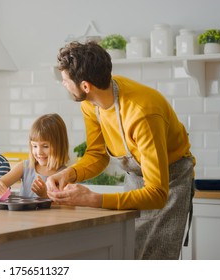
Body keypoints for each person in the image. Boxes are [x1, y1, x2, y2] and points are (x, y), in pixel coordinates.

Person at [48, 41, 195, 260]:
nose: (64, 84)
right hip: (136, 180)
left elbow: (157, 193)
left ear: (86, 86)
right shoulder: (91, 104)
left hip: (170, 183)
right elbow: (97, 156)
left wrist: (95, 199)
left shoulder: (142, 114)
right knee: (128, 253)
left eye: (66, 80)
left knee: (157, 259)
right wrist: (68, 173)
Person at [0, 114, 69, 198]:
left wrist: (45, 195)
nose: (39, 152)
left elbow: (67, 206)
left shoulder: (65, 174)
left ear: (60, 145)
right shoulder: (25, 166)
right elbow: (0, 182)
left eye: (45, 146)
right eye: (35, 146)